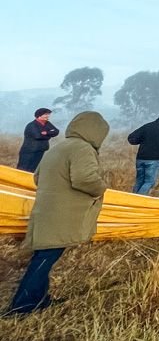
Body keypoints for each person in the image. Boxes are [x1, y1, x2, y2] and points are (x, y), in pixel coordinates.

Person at [7, 111, 109, 315]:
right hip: (63, 215)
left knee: (44, 255)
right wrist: (102, 188)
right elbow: (84, 178)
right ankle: (21, 306)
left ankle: (40, 299)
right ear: (95, 131)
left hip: (46, 211)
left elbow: (36, 177)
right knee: (44, 259)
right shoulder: (82, 148)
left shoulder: (58, 147)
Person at [17, 108, 59, 173]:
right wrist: (49, 135)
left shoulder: (47, 123)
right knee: (23, 169)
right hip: (29, 151)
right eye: (46, 114)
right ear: (39, 115)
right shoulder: (31, 125)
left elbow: (56, 131)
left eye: (48, 114)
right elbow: (38, 136)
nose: (48, 116)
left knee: (34, 169)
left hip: (41, 150)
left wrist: (46, 133)